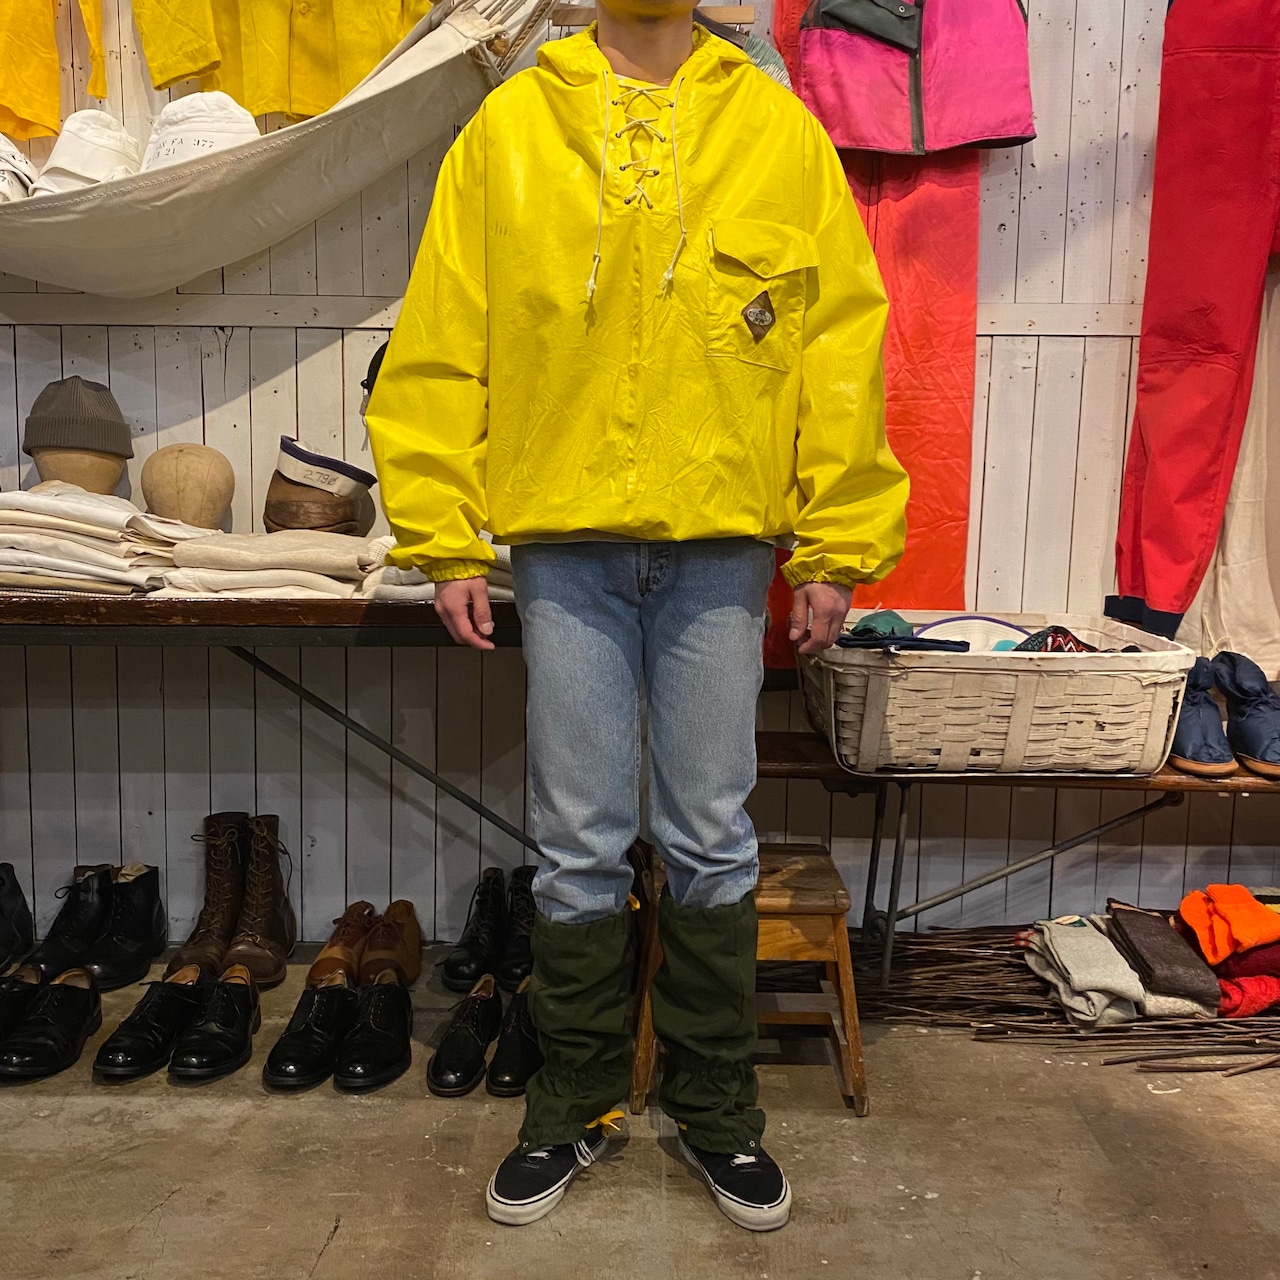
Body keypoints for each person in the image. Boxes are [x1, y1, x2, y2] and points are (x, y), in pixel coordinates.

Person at [365, 0, 908, 1233]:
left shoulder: (775, 129)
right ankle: (572, 1098)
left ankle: (716, 1107)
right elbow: (445, 326)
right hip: (566, 541)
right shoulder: (512, 127)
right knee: (577, 839)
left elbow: (837, 340)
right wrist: (443, 529)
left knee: (709, 831)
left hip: (721, 543)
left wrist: (836, 540)